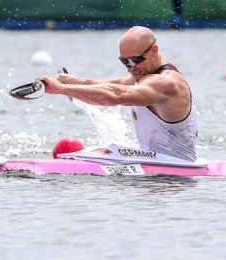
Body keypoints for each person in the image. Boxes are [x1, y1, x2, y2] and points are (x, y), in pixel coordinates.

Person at [37, 26, 198, 161]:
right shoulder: (145, 75)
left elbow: (115, 96)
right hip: (155, 167)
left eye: (135, 60)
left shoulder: (167, 83)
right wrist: (72, 80)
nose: (130, 68)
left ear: (154, 50)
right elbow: (109, 85)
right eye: (125, 62)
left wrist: (61, 89)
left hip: (174, 176)